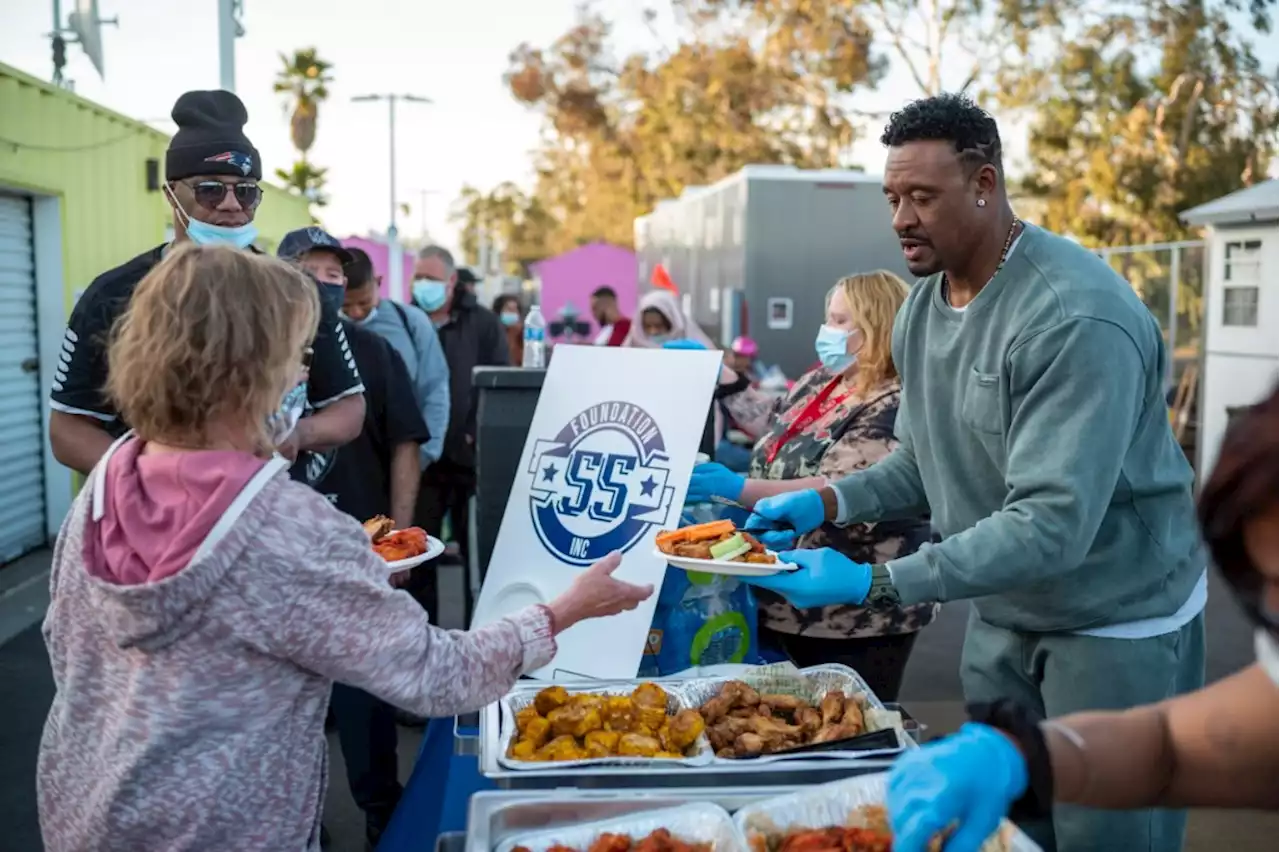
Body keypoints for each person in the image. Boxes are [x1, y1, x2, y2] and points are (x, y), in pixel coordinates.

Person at [35, 244, 653, 852]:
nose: (305, 375)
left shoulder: (109, 477)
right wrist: (566, 609)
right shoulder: (287, 525)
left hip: (84, 808)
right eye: (297, 355)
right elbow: (439, 676)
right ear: (248, 367)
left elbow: (64, 644)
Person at [741, 94, 1205, 852]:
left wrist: (873, 585)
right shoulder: (924, 307)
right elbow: (924, 462)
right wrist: (822, 498)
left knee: (1107, 837)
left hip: (1114, 620)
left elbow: (1050, 526)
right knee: (1008, 831)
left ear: (985, 184)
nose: (900, 219)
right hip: (1002, 613)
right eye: (892, 197)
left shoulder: (1073, 317)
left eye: (922, 197)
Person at [886, 387, 1280, 852]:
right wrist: (1026, 756)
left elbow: (1050, 521)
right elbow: (1169, 748)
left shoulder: (1091, 330)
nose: (1271, 612)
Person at [48, 89, 364, 477]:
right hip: (156, 524)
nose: (231, 205)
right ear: (171, 194)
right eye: (210, 190)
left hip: (269, 510)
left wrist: (300, 433)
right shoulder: (113, 295)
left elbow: (349, 407)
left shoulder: (297, 292)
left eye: (246, 191)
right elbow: (67, 429)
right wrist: (147, 481)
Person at [687, 272, 936, 700]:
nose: (828, 331)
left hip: (853, 614)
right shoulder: (825, 381)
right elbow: (778, 424)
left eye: (841, 321)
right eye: (829, 318)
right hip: (783, 596)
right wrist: (728, 381)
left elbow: (843, 486)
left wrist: (739, 488)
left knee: (846, 725)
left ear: (877, 326)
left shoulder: (898, 398)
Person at [408, 245, 509, 623]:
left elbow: (498, 378)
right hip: (422, 457)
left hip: (469, 460)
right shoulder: (407, 319)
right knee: (420, 550)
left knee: (476, 555)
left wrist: (472, 433)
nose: (423, 285)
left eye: (431, 279)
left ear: (452, 282)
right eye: (418, 277)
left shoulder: (482, 322)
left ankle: (476, 633)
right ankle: (423, 633)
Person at [341, 246, 451, 470]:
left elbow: (435, 389)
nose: (355, 313)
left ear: (378, 283)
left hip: (403, 457)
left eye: (363, 303)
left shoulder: (412, 323)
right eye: (345, 305)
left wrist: (425, 455)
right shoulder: (326, 327)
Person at [624, 290, 715, 348]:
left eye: (659, 326)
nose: (653, 331)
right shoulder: (633, 344)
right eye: (647, 326)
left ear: (672, 322)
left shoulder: (695, 346)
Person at [492, 293, 524, 365]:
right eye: (509, 309)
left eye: (515, 310)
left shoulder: (522, 333)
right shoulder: (492, 332)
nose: (512, 313)